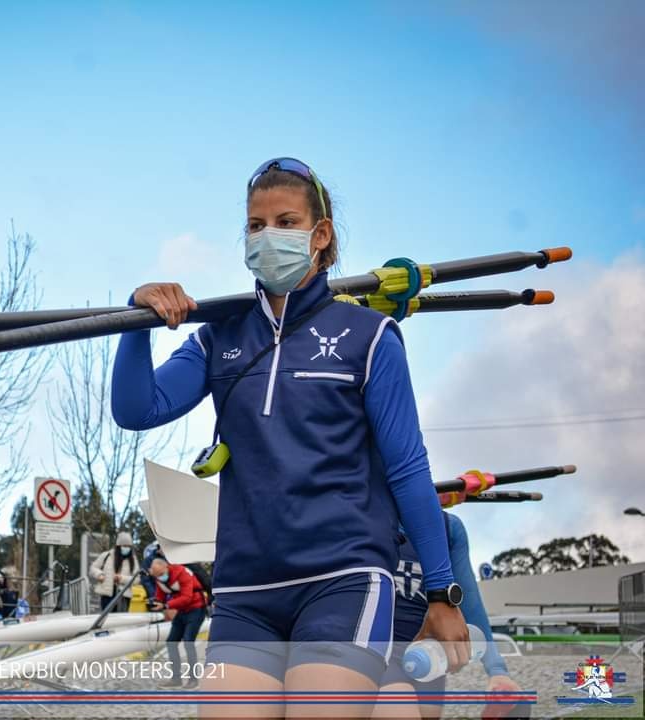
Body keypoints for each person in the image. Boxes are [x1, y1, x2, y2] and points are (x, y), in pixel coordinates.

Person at [111, 157, 468, 717]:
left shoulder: (370, 336)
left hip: (343, 577)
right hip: (246, 591)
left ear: (320, 236)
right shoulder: (218, 336)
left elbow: (406, 468)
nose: (266, 236)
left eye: (285, 221)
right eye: (255, 225)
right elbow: (139, 409)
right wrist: (136, 320)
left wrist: (443, 592)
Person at [376, 512, 528, 720]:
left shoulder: (450, 527)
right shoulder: (365, 511)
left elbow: (468, 600)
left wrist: (498, 672)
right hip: (377, 651)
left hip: (428, 657)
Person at [148, 558, 207, 689]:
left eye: (160, 574)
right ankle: (176, 678)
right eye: (156, 576)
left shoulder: (182, 573)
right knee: (171, 642)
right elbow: (160, 596)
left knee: (188, 642)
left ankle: (193, 679)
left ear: (166, 567)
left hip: (196, 609)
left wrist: (167, 605)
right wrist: (156, 602)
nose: (159, 578)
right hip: (182, 611)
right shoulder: (160, 578)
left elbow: (187, 597)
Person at [90, 531, 139, 612]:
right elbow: (93, 568)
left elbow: (137, 579)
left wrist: (122, 578)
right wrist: (99, 574)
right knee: (106, 620)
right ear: (118, 546)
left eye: (129, 546)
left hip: (124, 596)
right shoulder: (106, 555)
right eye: (124, 545)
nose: (127, 548)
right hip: (107, 595)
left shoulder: (133, 560)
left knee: (121, 621)